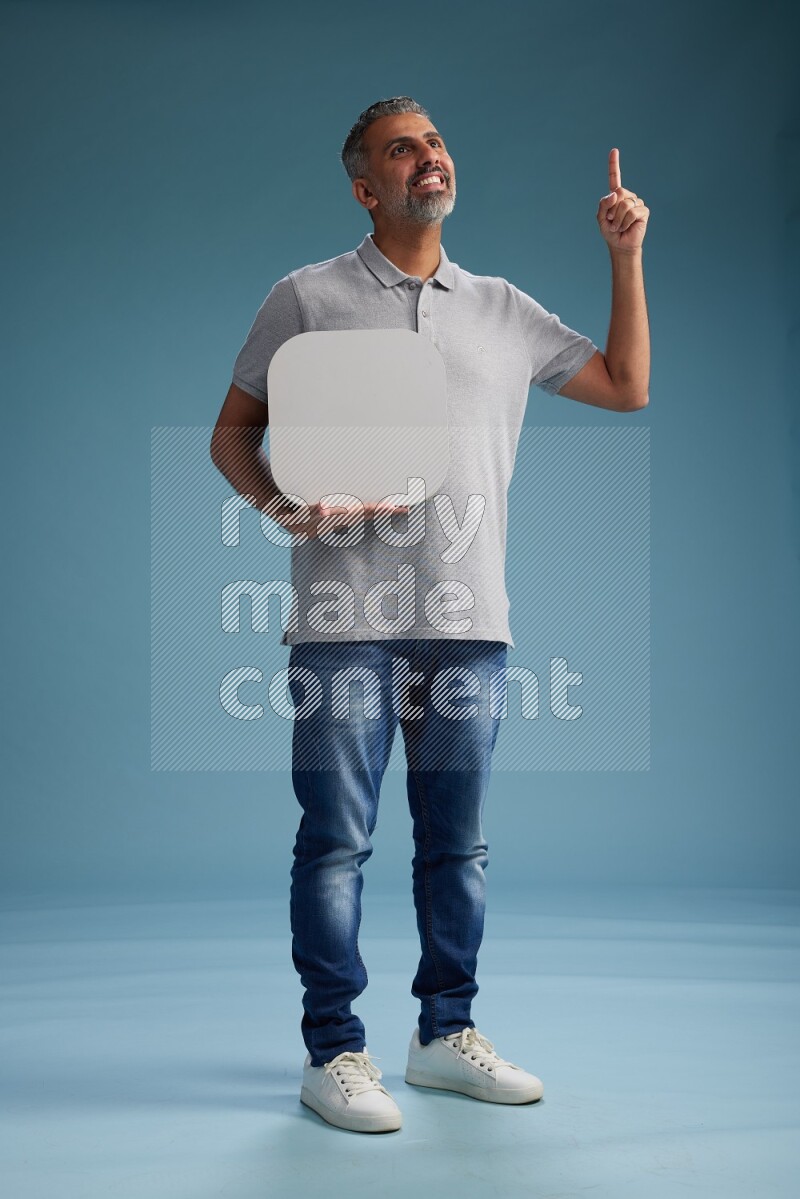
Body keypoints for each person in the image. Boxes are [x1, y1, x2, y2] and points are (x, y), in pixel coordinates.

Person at [210, 97, 650, 1134]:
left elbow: (626, 386)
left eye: (435, 141)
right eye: (402, 148)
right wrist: (282, 507)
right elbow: (233, 435)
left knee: (457, 845)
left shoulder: (502, 308)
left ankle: (442, 1034)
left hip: (468, 618)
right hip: (340, 619)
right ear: (366, 186)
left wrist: (623, 253)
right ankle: (335, 1050)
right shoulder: (304, 297)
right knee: (335, 842)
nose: (427, 157)